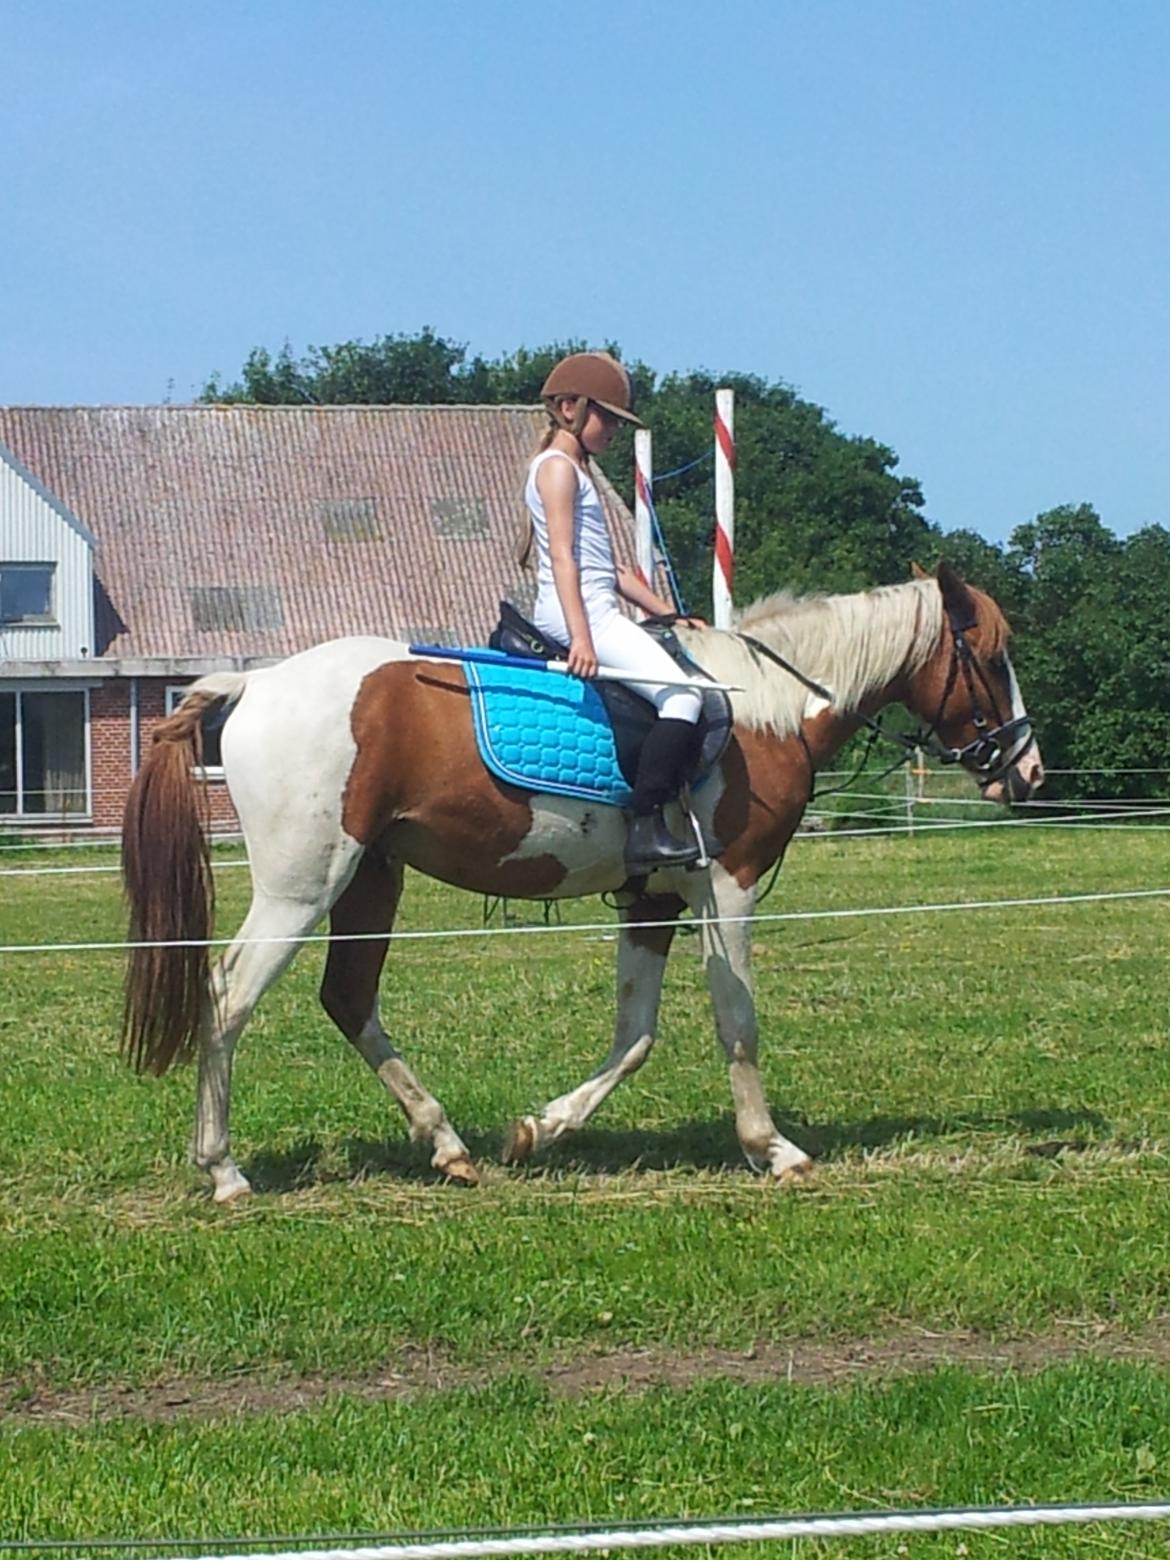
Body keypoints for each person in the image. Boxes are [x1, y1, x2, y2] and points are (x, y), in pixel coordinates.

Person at [519, 350, 705, 871]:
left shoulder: (580, 472)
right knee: (685, 699)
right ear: (569, 407)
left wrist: (669, 614)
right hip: (580, 614)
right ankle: (645, 826)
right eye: (607, 418)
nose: (614, 431)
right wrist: (581, 638)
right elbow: (561, 557)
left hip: (597, 608)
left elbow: (615, 571)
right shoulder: (556, 470)